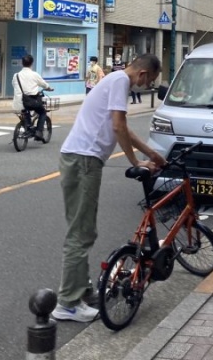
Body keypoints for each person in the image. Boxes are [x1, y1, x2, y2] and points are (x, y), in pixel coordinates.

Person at [53, 54, 166, 323]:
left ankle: (81, 291)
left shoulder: (114, 80)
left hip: (79, 159)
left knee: (82, 230)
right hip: (84, 160)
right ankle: (67, 303)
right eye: (148, 80)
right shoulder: (120, 82)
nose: (146, 84)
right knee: (80, 233)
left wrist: (151, 154)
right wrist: (135, 161)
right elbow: (118, 126)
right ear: (142, 74)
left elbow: (123, 128)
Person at [12, 55, 54, 140]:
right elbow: (44, 84)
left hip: (19, 101)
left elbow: (14, 85)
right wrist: (49, 88)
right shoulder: (34, 75)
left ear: (22, 63)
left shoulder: (16, 76)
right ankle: (38, 131)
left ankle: (28, 128)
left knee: (25, 111)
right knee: (42, 112)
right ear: (32, 63)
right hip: (31, 101)